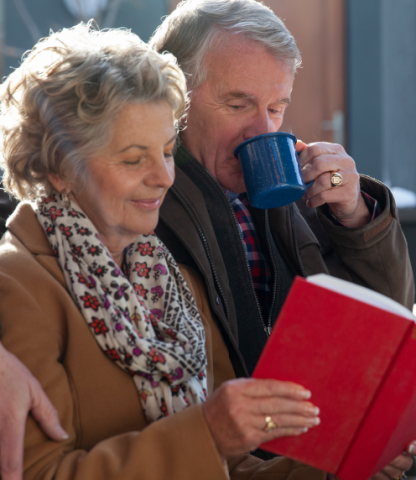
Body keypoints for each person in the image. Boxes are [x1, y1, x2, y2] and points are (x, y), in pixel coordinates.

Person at [0, 1, 415, 479]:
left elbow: (231, 467)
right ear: (60, 168)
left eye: (166, 153)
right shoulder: (23, 286)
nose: (162, 177)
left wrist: (356, 464)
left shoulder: (162, 276)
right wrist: (209, 433)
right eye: (135, 158)